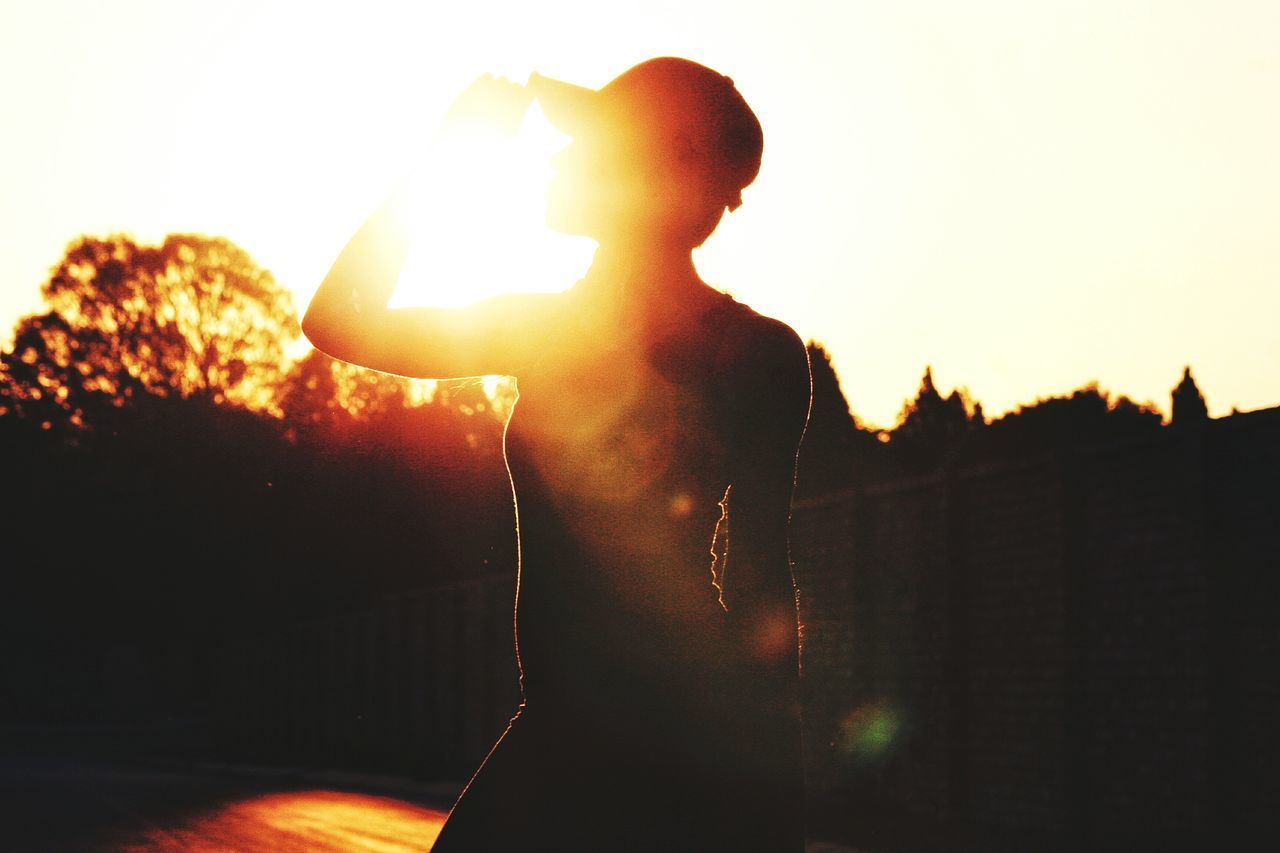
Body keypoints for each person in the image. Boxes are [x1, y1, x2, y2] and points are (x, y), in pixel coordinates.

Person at [303, 56, 811, 852]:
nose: (555, 155)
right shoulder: (759, 352)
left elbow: (340, 319)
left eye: (587, 144)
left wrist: (447, 161)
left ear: (640, 173)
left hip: (609, 745)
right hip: (657, 740)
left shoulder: (555, 332)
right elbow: (759, 583)